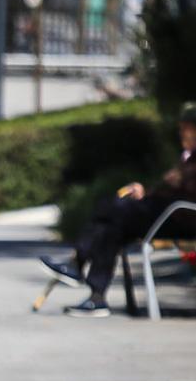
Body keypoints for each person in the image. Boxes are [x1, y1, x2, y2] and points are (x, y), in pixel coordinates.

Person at [39, 103, 196, 316]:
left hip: (183, 218)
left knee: (112, 207)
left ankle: (77, 264)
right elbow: (170, 190)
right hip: (168, 214)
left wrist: (180, 180)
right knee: (111, 226)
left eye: (185, 128)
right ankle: (97, 298)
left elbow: (184, 192)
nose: (181, 133)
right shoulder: (188, 157)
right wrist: (146, 192)